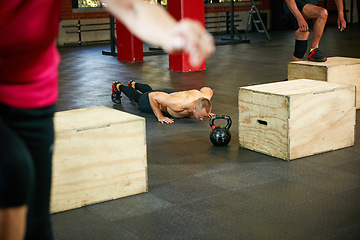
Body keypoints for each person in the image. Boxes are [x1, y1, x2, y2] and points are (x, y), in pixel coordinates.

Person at [0, 0, 215, 239]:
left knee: (36, 221)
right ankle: (124, 87)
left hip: (34, 95)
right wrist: (161, 117)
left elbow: (131, 5)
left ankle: (130, 85)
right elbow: (156, 98)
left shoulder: (201, 98)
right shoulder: (178, 103)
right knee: (14, 170)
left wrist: (170, 30)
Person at [112, 81, 214, 124]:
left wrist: (205, 112)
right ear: (194, 108)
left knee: (151, 90)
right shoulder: (177, 104)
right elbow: (152, 96)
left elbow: (207, 89)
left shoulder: (204, 98)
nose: (201, 119)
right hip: (165, 100)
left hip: (169, 95)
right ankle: (118, 86)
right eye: (201, 116)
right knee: (139, 98)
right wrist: (160, 116)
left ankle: (134, 84)